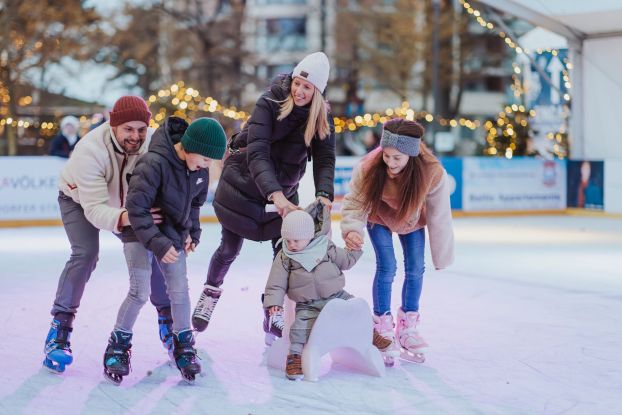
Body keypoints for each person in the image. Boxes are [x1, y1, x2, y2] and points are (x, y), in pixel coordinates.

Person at [192, 51, 336, 332]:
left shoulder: (321, 118)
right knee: (229, 249)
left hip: (284, 191)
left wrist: (324, 193)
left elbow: (325, 159)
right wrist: (276, 195)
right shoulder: (269, 102)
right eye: (297, 83)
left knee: (283, 255)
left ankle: (273, 310)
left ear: (317, 91)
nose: (299, 90)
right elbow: (257, 153)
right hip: (242, 187)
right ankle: (210, 294)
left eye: (307, 87)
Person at [43, 96, 173, 373]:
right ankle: (59, 330)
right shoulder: (89, 150)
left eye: (141, 129)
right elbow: (94, 210)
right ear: (114, 126)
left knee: (153, 252)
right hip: (78, 200)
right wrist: (131, 216)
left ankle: (169, 322)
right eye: (128, 129)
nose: (135, 136)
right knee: (86, 254)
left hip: (131, 207)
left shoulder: (154, 142)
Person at [102, 116, 227, 384]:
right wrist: (158, 244)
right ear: (190, 146)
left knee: (179, 291)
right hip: (138, 233)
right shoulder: (153, 163)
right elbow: (135, 209)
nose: (207, 166)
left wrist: (194, 233)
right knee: (140, 292)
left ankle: (184, 344)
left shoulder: (199, 170)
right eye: (205, 159)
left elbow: (194, 205)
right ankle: (118, 345)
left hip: (172, 235)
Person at [340, 118, 454, 366]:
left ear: (411, 156)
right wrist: (352, 230)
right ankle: (382, 323)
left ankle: (408, 326)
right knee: (387, 266)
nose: (390, 162)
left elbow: (440, 214)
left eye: (397, 158)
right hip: (379, 217)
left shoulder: (431, 172)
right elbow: (355, 201)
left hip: (411, 220)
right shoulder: (369, 166)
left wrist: (442, 254)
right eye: (387, 155)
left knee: (415, 267)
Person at [262, 203, 391, 380]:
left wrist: (354, 249)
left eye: (296, 240)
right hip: (308, 304)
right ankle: (294, 358)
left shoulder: (325, 247)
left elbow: (345, 261)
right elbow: (276, 283)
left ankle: (371, 335)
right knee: (299, 329)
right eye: (288, 240)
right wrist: (274, 303)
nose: (291, 244)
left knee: (358, 311)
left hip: (336, 295)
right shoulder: (285, 257)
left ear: (308, 236)